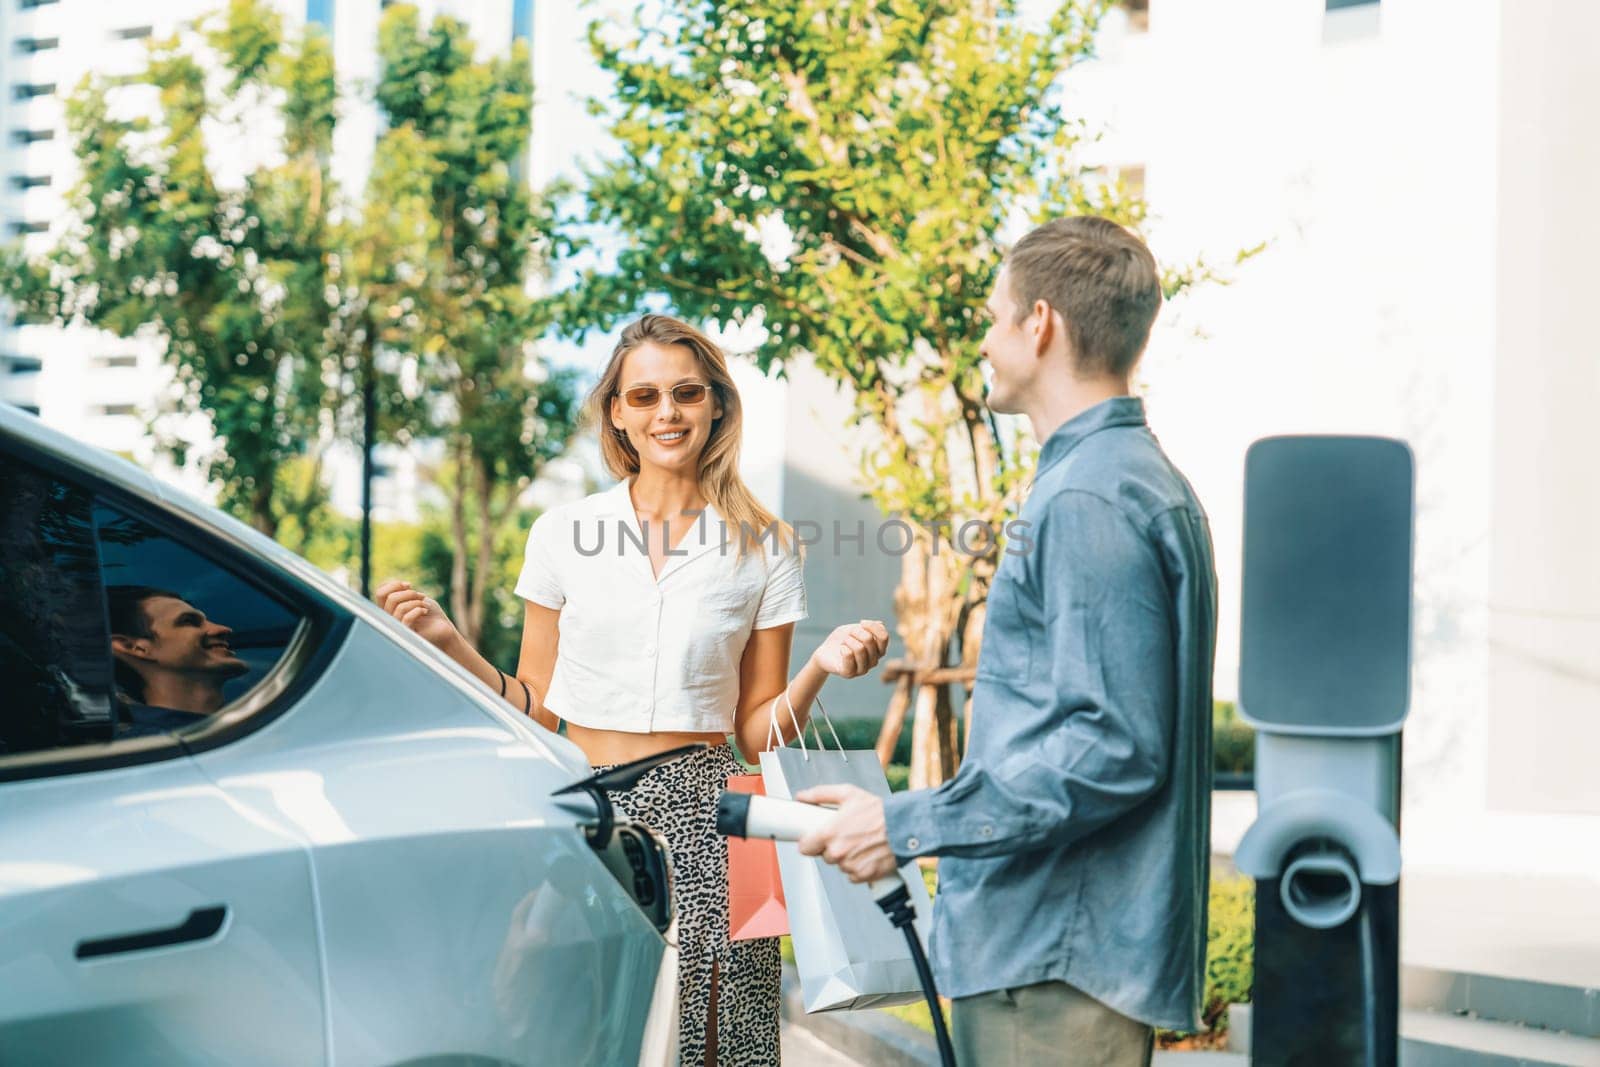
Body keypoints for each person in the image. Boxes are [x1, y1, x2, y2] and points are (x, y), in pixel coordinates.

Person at [377, 313, 889, 1066]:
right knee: (573, 1024)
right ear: (617, 411)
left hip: (715, 812)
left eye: (685, 393)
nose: (667, 413)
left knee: (717, 1041)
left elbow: (756, 731)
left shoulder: (766, 544)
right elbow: (540, 707)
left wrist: (822, 668)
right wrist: (452, 644)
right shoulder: (563, 531)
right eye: (644, 396)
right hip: (589, 809)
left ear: (717, 402)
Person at [796, 216, 1218, 1067]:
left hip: (1053, 961)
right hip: (1057, 954)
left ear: (1042, 323)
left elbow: (1111, 746)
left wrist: (906, 822)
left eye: (993, 317)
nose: (983, 342)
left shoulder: (1088, 498)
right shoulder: (1122, 481)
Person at [106, 584, 251, 732]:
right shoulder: (146, 748)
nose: (223, 629)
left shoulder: (249, 724)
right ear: (132, 647)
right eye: (188, 621)